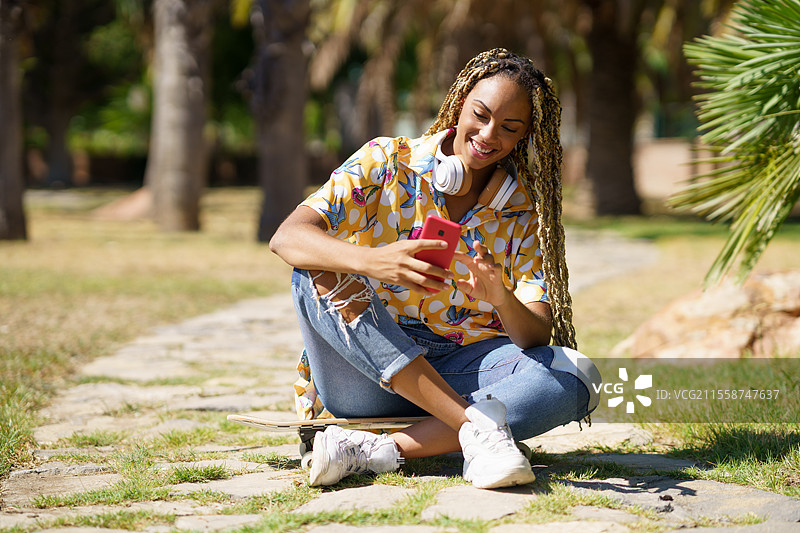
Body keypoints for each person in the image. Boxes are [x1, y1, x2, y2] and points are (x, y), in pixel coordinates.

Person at [269, 48, 601, 489]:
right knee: (313, 270)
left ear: (524, 137)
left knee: (578, 378)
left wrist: (501, 298)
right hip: (365, 373)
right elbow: (287, 238)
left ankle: (379, 451)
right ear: (461, 100)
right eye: (480, 115)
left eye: (509, 128)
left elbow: (536, 336)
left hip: (463, 367)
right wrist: (372, 261)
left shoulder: (521, 209)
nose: (487, 135)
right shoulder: (386, 161)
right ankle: (476, 429)